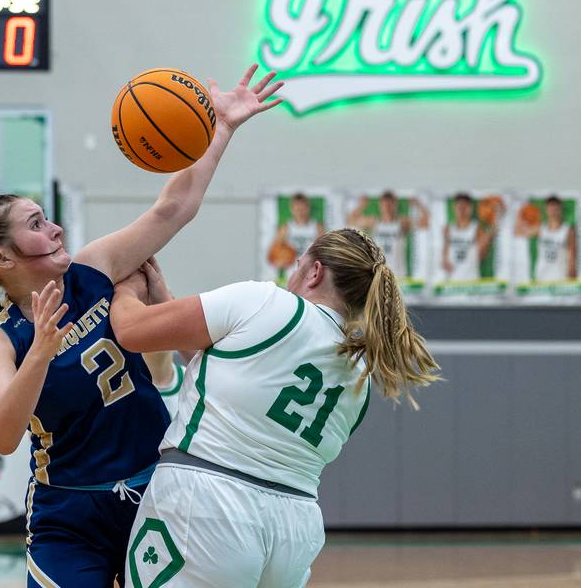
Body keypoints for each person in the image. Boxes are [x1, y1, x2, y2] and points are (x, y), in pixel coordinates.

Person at [0, 65, 282, 587]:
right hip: (68, 514)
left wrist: (222, 129)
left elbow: (174, 209)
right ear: (2, 259)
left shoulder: (94, 271)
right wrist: (40, 353)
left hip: (156, 495)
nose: (53, 228)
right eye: (35, 225)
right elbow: (2, 435)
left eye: (45, 217)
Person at [110, 228, 439, 587]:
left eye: (297, 266)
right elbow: (229, 364)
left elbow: (130, 329)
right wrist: (165, 299)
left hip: (208, 504)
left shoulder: (267, 302)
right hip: (293, 528)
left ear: (314, 272)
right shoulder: (361, 370)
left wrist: (125, 286)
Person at [347, 191, 429, 277]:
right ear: (380, 205)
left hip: (398, 273)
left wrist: (417, 204)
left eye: (390, 204)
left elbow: (425, 223)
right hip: (379, 273)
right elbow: (351, 221)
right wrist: (362, 205)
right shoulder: (374, 222)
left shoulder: (402, 223)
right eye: (385, 204)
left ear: (395, 204)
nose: (388, 207)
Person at [515, 195, 576, 282]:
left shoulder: (568, 230)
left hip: (561, 278)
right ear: (546, 210)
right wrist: (521, 213)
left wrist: (571, 275)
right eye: (550, 208)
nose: (553, 211)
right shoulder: (541, 228)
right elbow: (518, 232)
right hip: (541, 277)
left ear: (560, 209)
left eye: (555, 208)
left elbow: (572, 255)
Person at [442, 192, 495, 281]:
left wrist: (487, 239)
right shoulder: (448, 229)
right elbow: (444, 255)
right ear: (454, 208)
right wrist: (444, 261)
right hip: (452, 281)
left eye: (464, 207)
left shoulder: (476, 228)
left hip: (471, 280)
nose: (461, 210)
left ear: (470, 208)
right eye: (459, 207)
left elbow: (481, 256)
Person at [271, 192, 325, 259]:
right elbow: (273, 252)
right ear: (292, 209)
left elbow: (325, 251)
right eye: (297, 209)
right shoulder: (285, 228)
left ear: (308, 208)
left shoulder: (318, 227)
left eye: (303, 209)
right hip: (293, 268)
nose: (300, 212)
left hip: (311, 267)